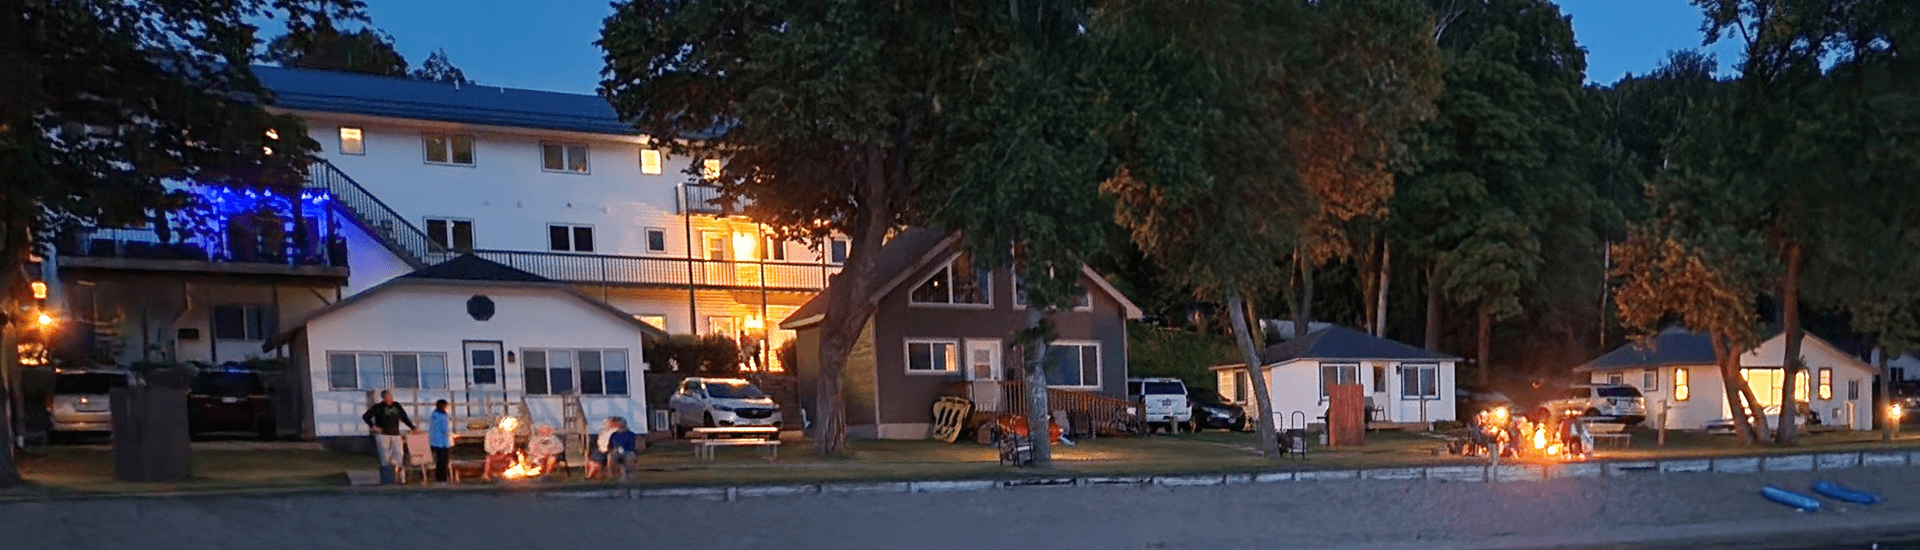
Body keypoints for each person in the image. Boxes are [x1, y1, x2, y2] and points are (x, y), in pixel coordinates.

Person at [361, 390, 415, 485]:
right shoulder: (378, 407)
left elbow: (404, 417)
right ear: (383, 398)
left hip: (396, 434)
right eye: (387, 397)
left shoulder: (396, 406)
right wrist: (373, 426)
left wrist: (412, 427)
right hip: (383, 435)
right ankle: (387, 479)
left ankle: (401, 478)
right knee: (385, 456)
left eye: (391, 397)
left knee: (399, 454)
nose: (390, 399)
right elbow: (366, 416)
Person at [428, 399, 455, 483]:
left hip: (434, 441)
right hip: (443, 442)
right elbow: (445, 429)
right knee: (443, 461)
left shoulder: (434, 414)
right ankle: (442, 479)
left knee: (438, 461)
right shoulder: (443, 416)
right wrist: (452, 435)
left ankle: (438, 477)